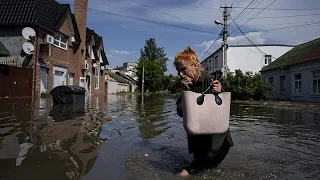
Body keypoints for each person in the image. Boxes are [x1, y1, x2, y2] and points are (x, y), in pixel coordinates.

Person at [174, 46, 234, 176]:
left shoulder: (209, 81)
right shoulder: (186, 85)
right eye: (178, 71)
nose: (180, 74)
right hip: (199, 144)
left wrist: (219, 92)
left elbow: (223, 111)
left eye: (183, 69)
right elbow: (180, 112)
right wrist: (185, 92)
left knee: (184, 174)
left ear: (195, 66)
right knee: (201, 171)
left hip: (216, 144)